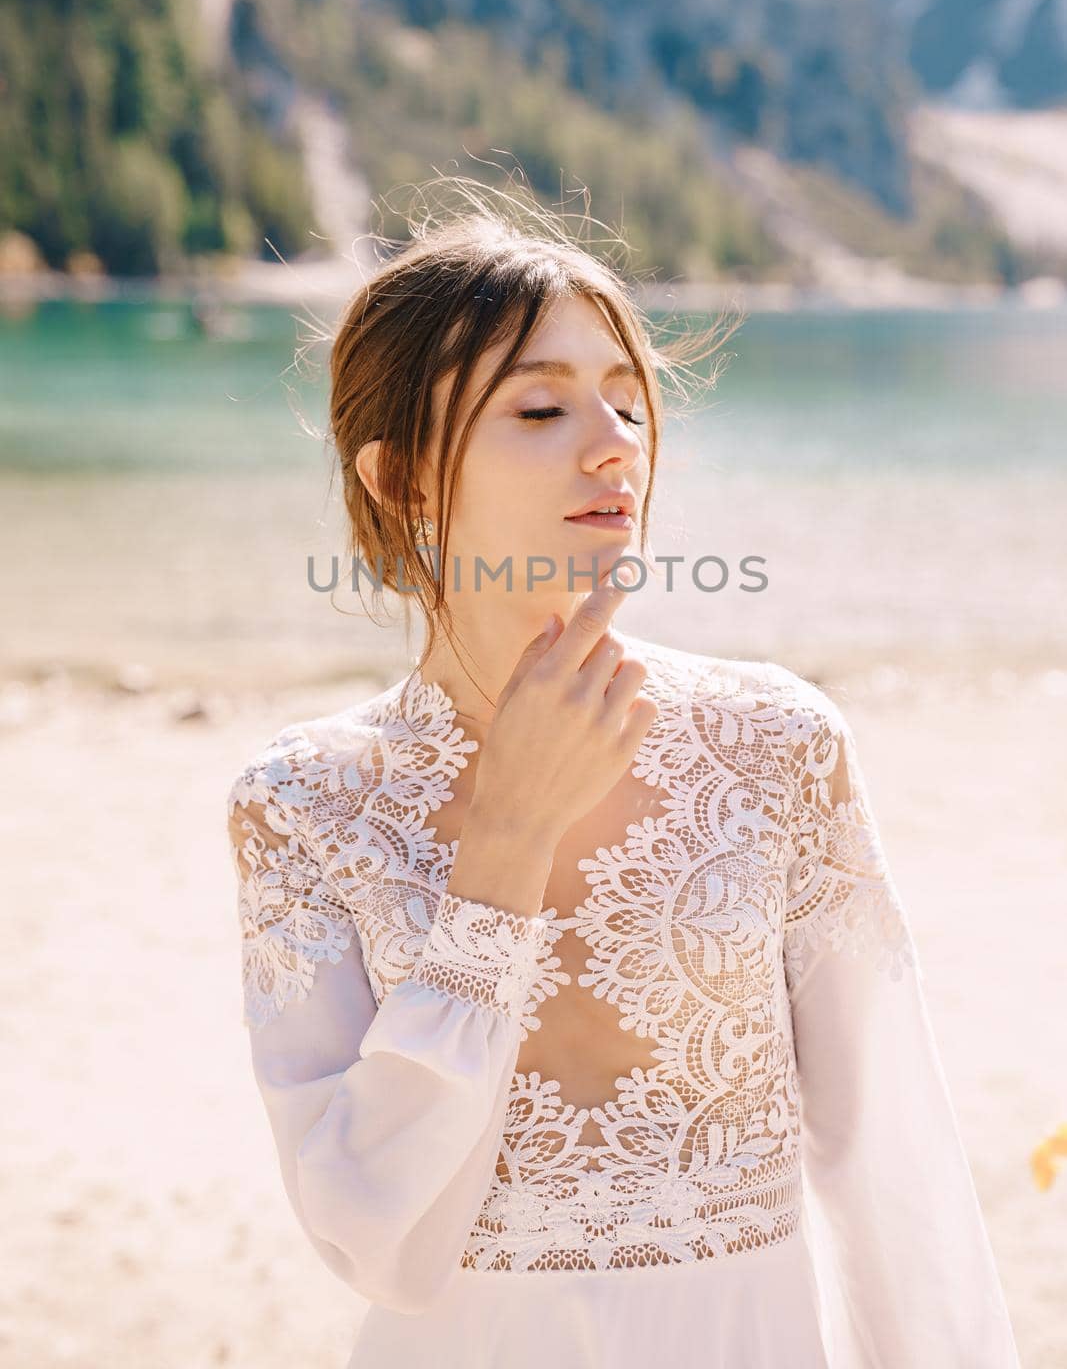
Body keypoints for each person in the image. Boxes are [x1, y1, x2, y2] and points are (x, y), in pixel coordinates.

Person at [226, 187, 1022, 1367]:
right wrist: (501, 848)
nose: (612, 444)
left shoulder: (772, 745)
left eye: (627, 402)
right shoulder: (302, 802)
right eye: (540, 406)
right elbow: (366, 1236)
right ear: (398, 481)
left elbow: (890, 1161)